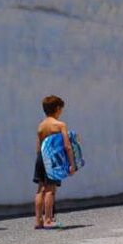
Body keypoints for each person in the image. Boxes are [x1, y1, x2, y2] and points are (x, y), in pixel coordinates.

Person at [33, 95, 76, 229]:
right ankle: (48, 220)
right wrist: (72, 164)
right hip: (52, 159)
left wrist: (40, 159)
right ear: (57, 108)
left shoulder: (41, 125)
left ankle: (38, 220)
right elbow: (67, 146)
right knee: (51, 189)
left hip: (40, 157)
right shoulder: (60, 125)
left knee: (40, 188)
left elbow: (38, 146)